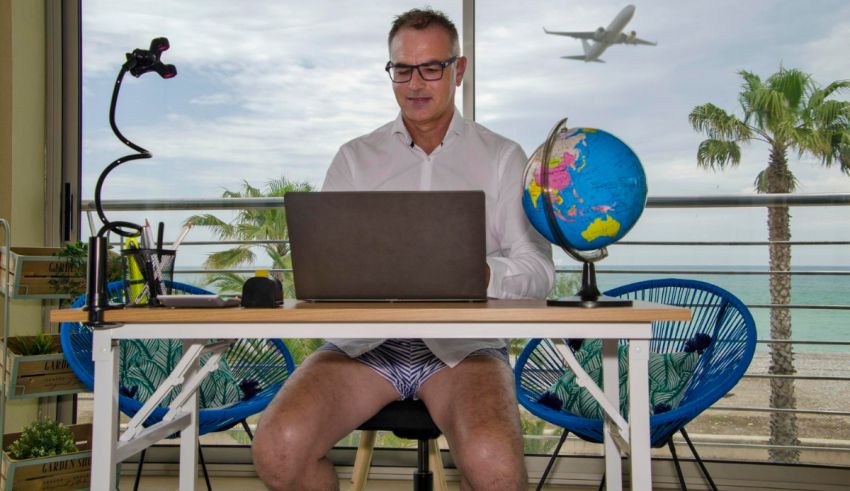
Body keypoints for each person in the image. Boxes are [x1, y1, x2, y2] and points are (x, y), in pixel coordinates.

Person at [252, 8, 554, 490]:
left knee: (494, 464)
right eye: (402, 69)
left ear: (459, 69)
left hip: (464, 347)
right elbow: (323, 265)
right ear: (391, 71)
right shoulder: (355, 158)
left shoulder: (501, 157)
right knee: (278, 449)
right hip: (365, 344)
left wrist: (480, 276)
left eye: (431, 67)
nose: (416, 83)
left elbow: (538, 270)